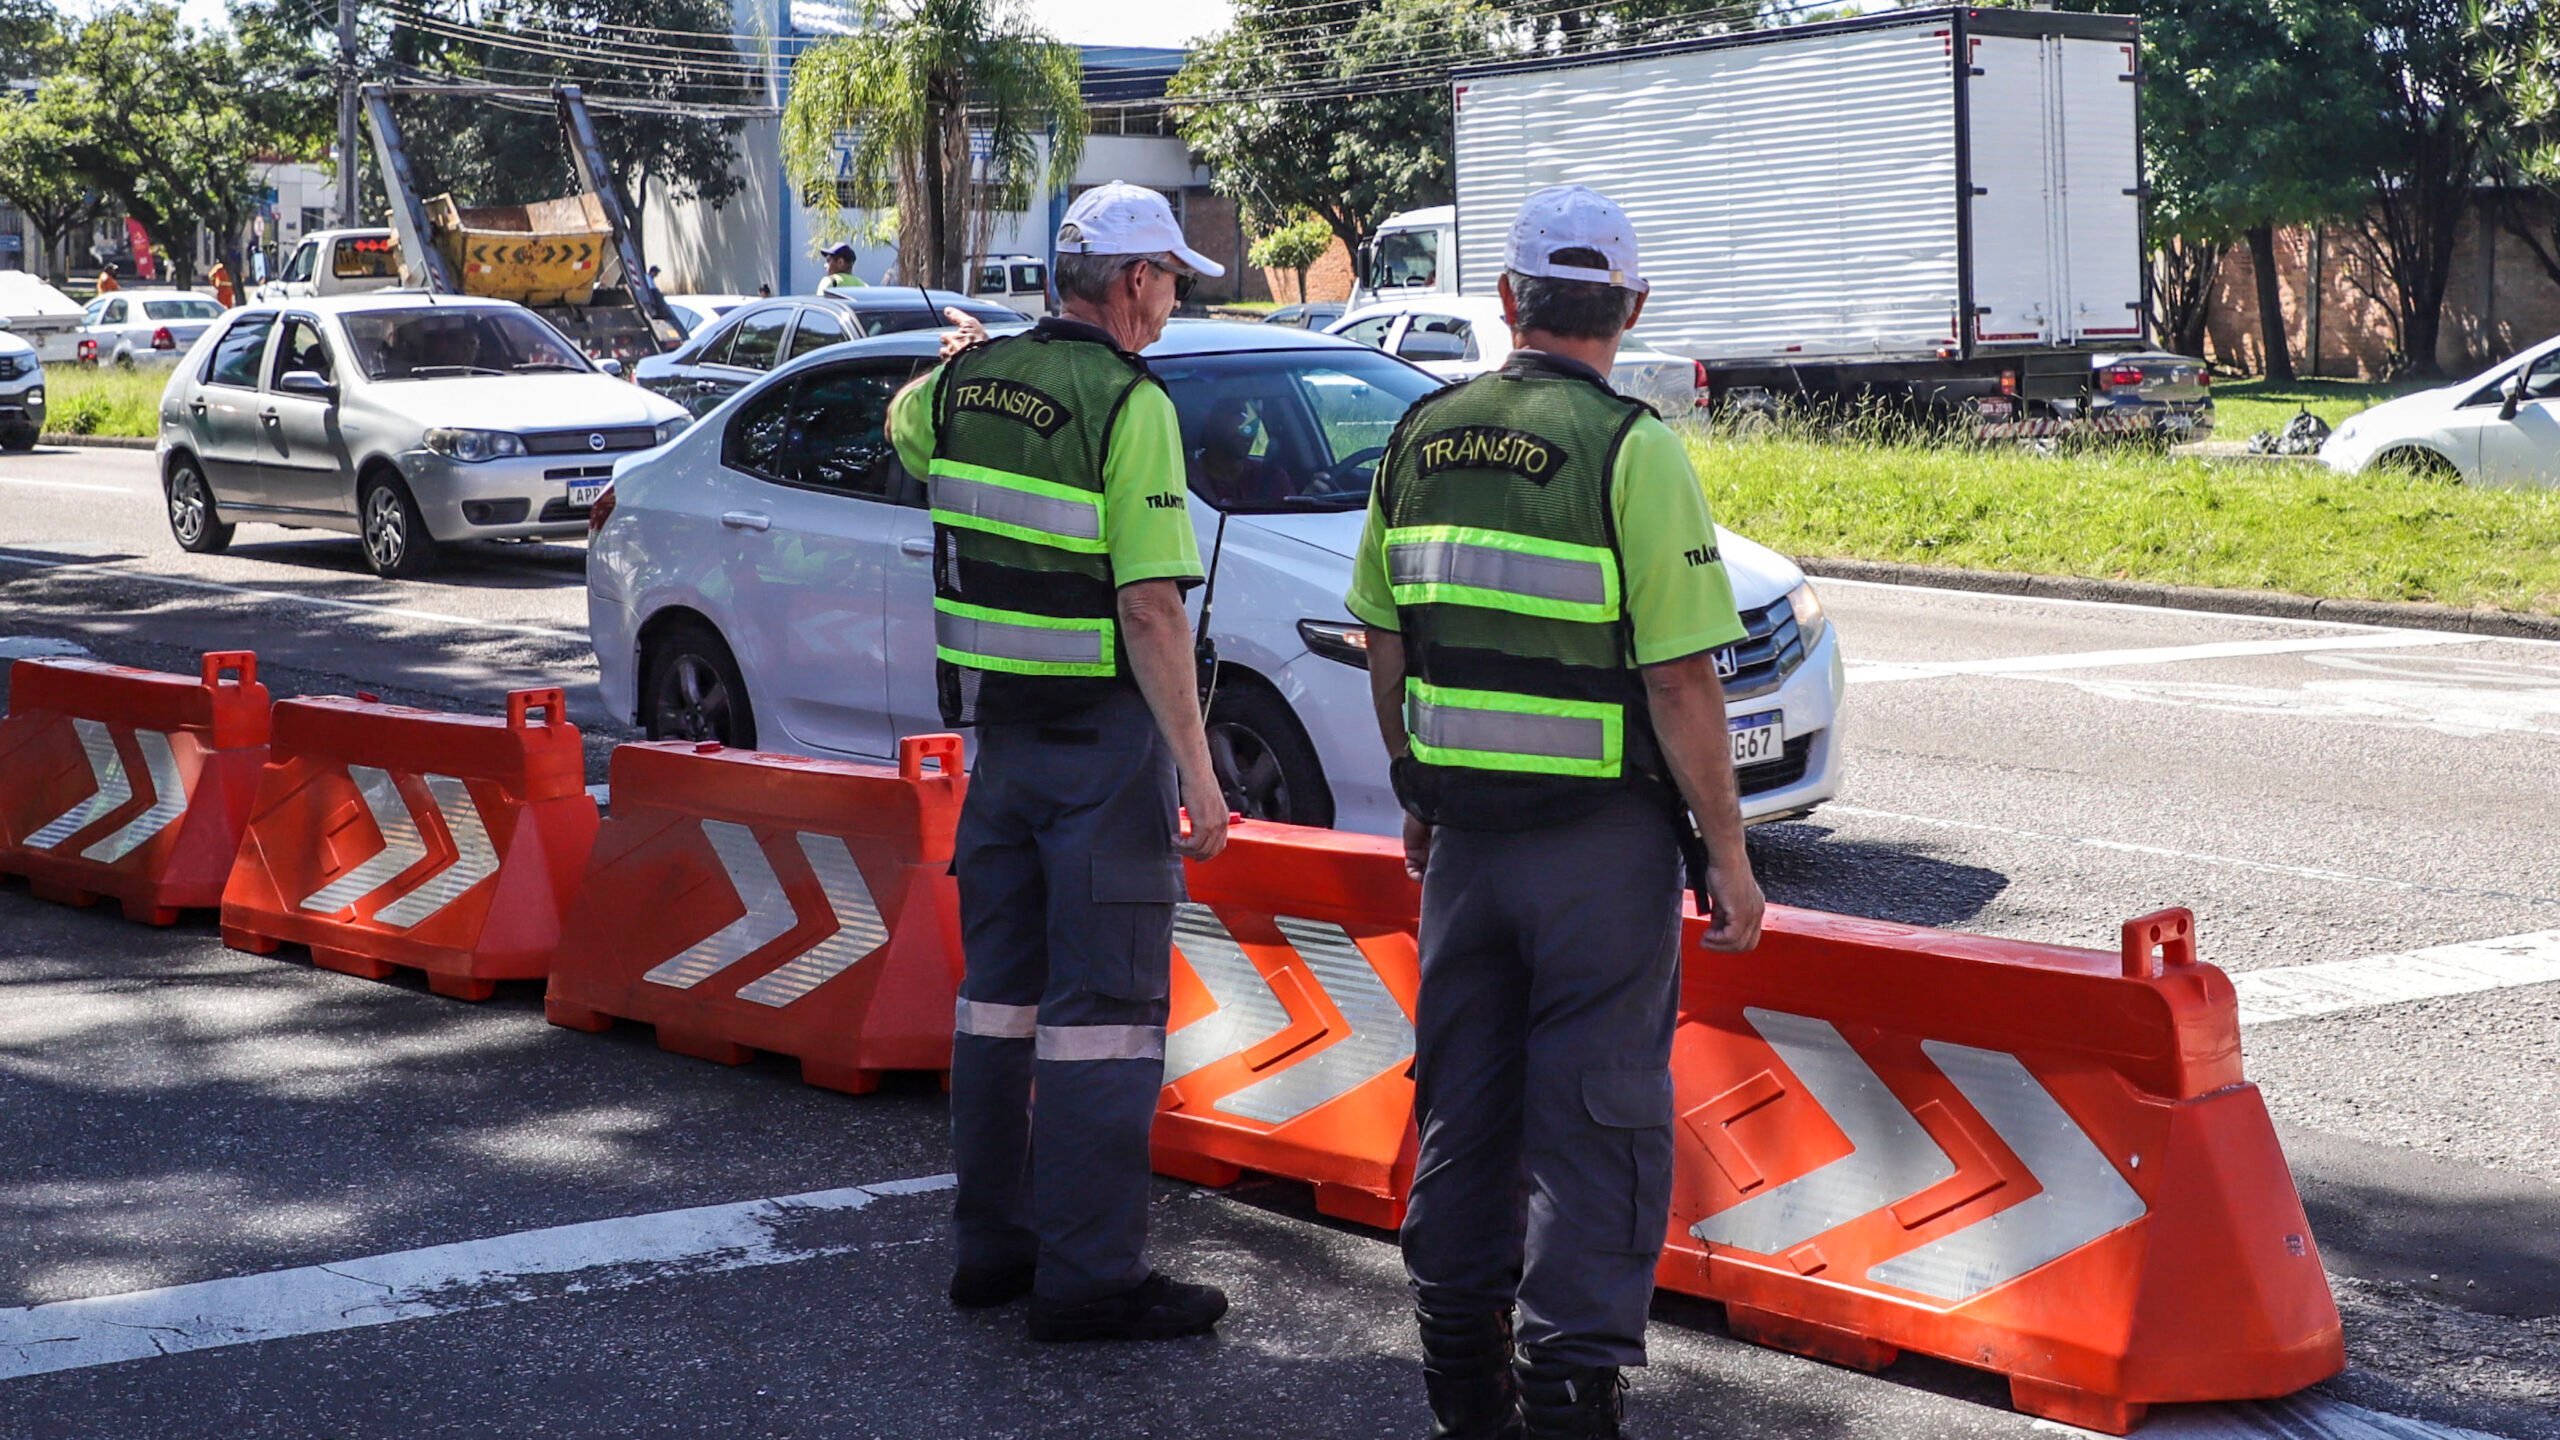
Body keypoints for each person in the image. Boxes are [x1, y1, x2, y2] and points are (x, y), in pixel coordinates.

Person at [1344, 185, 1767, 1440]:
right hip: (1599, 850)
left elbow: (1386, 638)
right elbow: (1680, 675)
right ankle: (1572, 1400)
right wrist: (1732, 859)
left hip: (1466, 845)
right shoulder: (1630, 448)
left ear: (1510, 300)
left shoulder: (1420, 430)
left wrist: (1419, 792)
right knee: (1595, 1118)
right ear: (1630, 309)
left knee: (1465, 1106)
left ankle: (1461, 1395)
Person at [884, 180, 1233, 1343]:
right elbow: (1149, 609)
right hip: (1102, 755)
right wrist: (1198, 767)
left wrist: (954, 362)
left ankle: (991, 1249)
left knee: (997, 1008)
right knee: (1104, 1019)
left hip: (1005, 750)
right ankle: (1089, 1279)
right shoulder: (1129, 402)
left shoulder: (965, 386)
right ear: (1131, 284)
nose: (1174, 297)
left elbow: (904, 426)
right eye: (1172, 277)